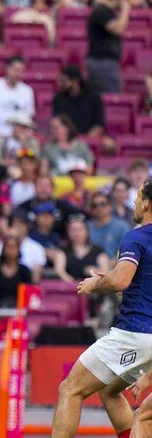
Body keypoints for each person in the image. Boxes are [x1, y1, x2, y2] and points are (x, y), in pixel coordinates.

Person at [52, 179, 152, 438]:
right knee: (109, 391)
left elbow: (120, 279)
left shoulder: (136, 236)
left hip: (134, 333)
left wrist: (96, 284)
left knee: (70, 389)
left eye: (137, 195)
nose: (133, 201)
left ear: (146, 203)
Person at [87, 0, 132, 93]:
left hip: (104, 61)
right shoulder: (101, 11)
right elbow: (117, 29)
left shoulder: (108, 13)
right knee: (112, 96)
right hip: (102, 61)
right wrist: (126, 10)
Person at [52, 65, 110, 150]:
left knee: (109, 146)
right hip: (65, 139)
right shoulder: (59, 98)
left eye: (64, 81)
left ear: (75, 81)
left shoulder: (93, 97)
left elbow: (99, 125)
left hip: (89, 139)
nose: (61, 84)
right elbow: (56, 121)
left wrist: (85, 141)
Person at [0, 56, 35, 140]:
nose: (18, 74)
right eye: (16, 70)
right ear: (7, 69)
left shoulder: (27, 91)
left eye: (21, 71)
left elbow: (28, 118)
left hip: (17, 136)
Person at [15, 175, 81, 236]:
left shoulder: (64, 206)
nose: (43, 189)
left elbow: (79, 216)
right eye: (40, 185)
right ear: (34, 187)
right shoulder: (24, 207)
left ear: (53, 188)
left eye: (47, 186)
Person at [53, 215, 110, 282]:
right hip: (69, 289)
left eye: (80, 229)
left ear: (87, 231)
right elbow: (59, 270)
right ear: (68, 231)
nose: (76, 233)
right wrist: (74, 285)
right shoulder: (61, 251)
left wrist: (96, 271)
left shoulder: (99, 251)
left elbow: (106, 272)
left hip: (94, 290)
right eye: (73, 229)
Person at [0, 214, 47, 282]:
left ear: (27, 226)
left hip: (26, 284)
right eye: (15, 224)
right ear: (10, 227)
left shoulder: (37, 248)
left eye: (22, 224)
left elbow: (35, 279)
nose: (18, 227)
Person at [0, 235, 34, 308]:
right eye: (8, 247)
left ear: (19, 249)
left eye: (14, 247)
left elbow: (29, 293)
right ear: (3, 249)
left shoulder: (25, 271)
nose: (11, 250)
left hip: (20, 310)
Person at [89, 191, 132, 260]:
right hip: (91, 268)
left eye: (103, 204)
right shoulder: (87, 227)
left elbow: (127, 251)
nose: (99, 208)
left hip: (116, 267)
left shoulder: (122, 226)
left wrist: (111, 264)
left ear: (110, 206)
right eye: (94, 205)